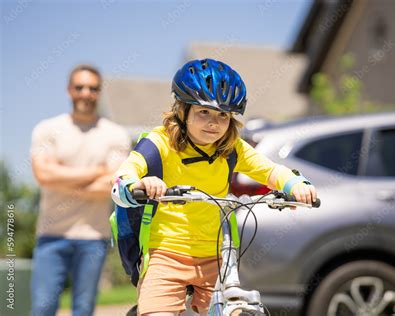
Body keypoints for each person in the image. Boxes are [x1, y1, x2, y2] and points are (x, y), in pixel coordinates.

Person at [112, 58, 317, 316]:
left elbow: (271, 171)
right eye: (203, 112)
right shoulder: (159, 144)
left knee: (235, 309)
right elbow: (123, 178)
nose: (214, 122)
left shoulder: (231, 148)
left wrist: (296, 183)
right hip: (165, 254)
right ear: (182, 110)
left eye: (223, 115)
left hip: (215, 256)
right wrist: (139, 184)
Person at [30, 64, 131, 316]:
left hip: (93, 237)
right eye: (80, 87)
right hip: (51, 234)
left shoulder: (116, 134)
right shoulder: (47, 129)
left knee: (84, 309)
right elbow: (43, 174)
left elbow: (112, 186)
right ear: (69, 90)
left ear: (99, 92)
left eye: (93, 88)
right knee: (43, 307)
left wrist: (61, 176)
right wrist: (96, 171)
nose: (86, 93)